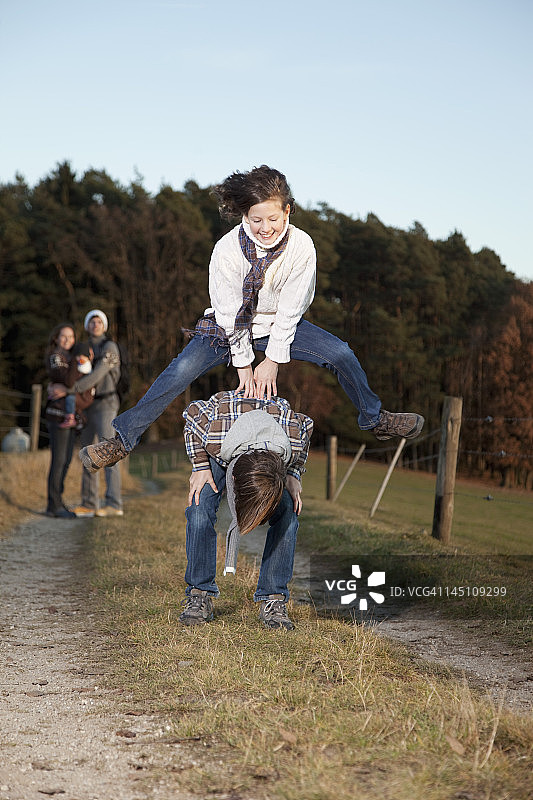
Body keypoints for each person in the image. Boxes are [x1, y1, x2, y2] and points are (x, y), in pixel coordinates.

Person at [79, 165, 424, 473]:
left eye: (273, 219)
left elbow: (291, 309)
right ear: (245, 214)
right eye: (256, 220)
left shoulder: (302, 247)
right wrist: (244, 365)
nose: (265, 228)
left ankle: (374, 418)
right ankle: (122, 441)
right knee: (179, 370)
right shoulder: (227, 250)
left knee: (341, 353)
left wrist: (272, 360)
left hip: (279, 326)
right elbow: (229, 313)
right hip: (228, 328)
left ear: (287, 211)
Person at [179, 389, 313, 629]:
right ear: (233, 481)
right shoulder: (214, 436)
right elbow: (192, 412)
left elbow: (307, 424)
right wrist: (200, 465)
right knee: (199, 506)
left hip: (269, 452)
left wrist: (293, 474)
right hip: (225, 441)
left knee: (288, 512)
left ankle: (273, 597)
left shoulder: (292, 441)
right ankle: (199, 593)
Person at [49, 309, 123, 518]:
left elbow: (97, 374)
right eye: (92, 321)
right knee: (88, 453)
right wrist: (55, 385)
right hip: (88, 405)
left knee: (108, 452)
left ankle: (114, 503)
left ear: (104, 325)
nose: (95, 325)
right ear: (87, 325)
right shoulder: (83, 347)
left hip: (106, 404)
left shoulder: (110, 347)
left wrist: (69, 390)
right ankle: (89, 503)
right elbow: (71, 371)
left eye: (99, 321)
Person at [44, 323, 79, 518]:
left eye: (71, 337)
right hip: (57, 415)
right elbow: (69, 380)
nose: (67, 340)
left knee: (66, 460)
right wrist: (76, 367)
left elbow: (71, 382)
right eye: (64, 336)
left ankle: (58, 500)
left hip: (70, 415)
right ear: (56, 338)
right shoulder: (56, 357)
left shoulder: (70, 358)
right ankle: (53, 505)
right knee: (58, 460)